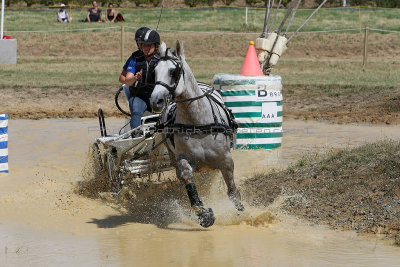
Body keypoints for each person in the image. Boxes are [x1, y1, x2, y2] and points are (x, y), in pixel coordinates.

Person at [120, 28, 161, 131]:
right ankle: (136, 135)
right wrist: (135, 77)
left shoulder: (162, 60)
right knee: (136, 107)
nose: (145, 48)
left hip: (157, 97)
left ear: (156, 46)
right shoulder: (135, 58)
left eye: (149, 45)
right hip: (140, 96)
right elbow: (127, 81)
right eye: (143, 45)